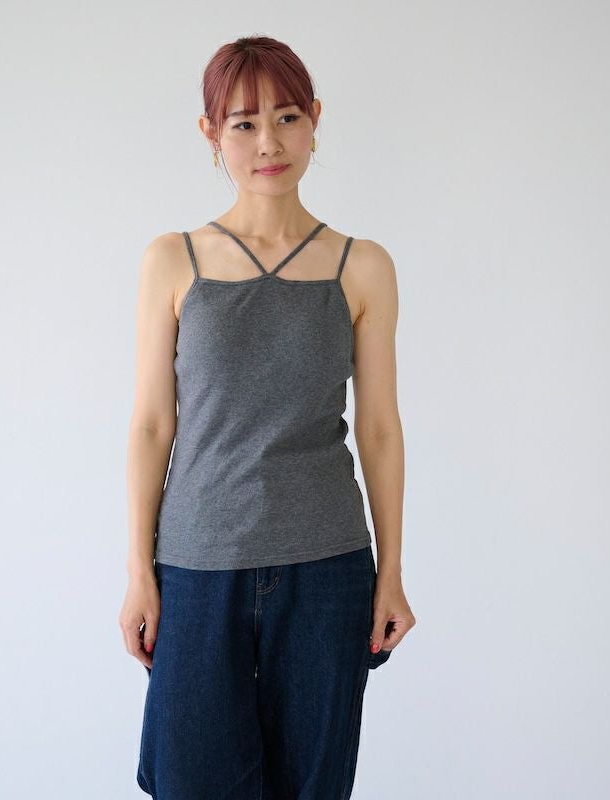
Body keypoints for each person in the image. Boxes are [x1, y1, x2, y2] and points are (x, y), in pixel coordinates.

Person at [119, 34, 415, 799]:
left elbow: (380, 429)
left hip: (327, 571)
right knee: (192, 781)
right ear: (210, 133)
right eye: (243, 123)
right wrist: (139, 573)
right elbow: (152, 425)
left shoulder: (362, 266)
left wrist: (391, 573)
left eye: (286, 117)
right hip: (196, 570)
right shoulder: (172, 260)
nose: (268, 143)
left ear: (315, 119)